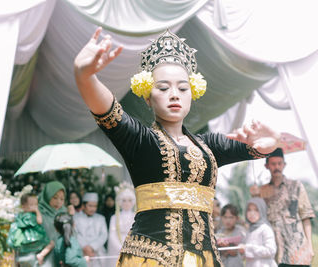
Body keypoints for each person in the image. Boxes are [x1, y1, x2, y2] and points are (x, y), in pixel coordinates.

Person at [74, 27, 280, 266]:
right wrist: (85, 76)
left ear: (192, 93)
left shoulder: (209, 145)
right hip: (148, 259)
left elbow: (254, 147)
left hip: (204, 260)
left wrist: (272, 142)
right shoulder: (141, 141)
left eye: (182, 88)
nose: (174, 95)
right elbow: (107, 110)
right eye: (163, 88)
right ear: (147, 97)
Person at [250, 148, 315, 266]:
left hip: (298, 249)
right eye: (273, 164)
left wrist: (310, 246)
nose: (277, 167)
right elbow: (254, 218)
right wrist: (254, 197)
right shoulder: (262, 191)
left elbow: (306, 216)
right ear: (267, 166)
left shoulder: (296, 186)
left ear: (284, 165)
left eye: (279, 163)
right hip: (274, 250)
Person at [7, 193, 53, 266]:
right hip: (34, 238)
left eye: (36, 205)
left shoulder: (20, 215)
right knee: (50, 243)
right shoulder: (31, 216)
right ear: (23, 206)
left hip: (24, 242)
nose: (35, 207)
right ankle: (40, 255)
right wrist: (37, 211)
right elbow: (40, 221)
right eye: (32, 205)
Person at [38, 181, 74, 266]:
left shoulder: (64, 212)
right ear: (47, 196)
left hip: (62, 257)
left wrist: (71, 217)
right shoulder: (39, 213)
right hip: (45, 258)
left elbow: (71, 234)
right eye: (55, 198)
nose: (58, 202)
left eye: (62, 199)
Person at [239, 197, 277, 267]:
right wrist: (242, 251)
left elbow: (271, 250)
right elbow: (247, 253)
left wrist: (247, 248)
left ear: (262, 211)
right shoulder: (249, 230)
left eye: (256, 210)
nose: (252, 213)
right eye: (249, 210)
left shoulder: (265, 229)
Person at [73, 192, 108, 267]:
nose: (93, 208)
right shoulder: (76, 217)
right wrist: (85, 247)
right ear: (83, 206)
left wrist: (92, 247)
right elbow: (75, 233)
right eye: (90, 206)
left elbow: (104, 235)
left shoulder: (101, 218)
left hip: (98, 252)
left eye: (95, 206)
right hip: (81, 251)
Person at [107, 183, 136, 264]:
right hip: (118, 248)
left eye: (129, 200)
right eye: (124, 200)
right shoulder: (114, 217)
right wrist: (120, 248)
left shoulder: (136, 216)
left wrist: (132, 247)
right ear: (119, 201)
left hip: (133, 248)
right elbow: (112, 234)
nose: (127, 203)